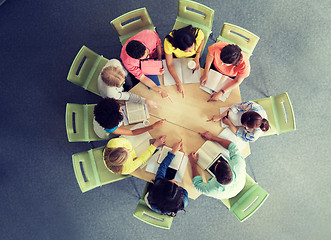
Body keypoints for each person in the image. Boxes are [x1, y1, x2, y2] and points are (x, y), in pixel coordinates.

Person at [189, 131, 246, 200]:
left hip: (231, 191)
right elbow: (232, 146)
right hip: (238, 185)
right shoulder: (238, 164)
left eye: (217, 163)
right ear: (230, 168)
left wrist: (193, 164)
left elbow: (197, 183)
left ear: (215, 178)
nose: (218, 161)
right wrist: (212, 137)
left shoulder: (212, 190)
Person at [120, 30, 171, 101]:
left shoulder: (150, 35)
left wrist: (159, 61)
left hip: (155, 54)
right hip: (142, 66)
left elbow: (158, 44)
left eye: (147, 54)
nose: (148, 57)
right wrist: (160, 90)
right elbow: (142, 78)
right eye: (145, 58)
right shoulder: (128, 62)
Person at [145, 139, 188, 216]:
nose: (173, 179)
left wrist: (173, 151)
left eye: (171, 181)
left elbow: (162, 167)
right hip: (160, 208)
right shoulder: (184, 201)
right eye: (175, 183)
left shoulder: (157, 186)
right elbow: (185, 191)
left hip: (152, 204)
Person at [93, 97, 164, 139]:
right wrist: (152, 127)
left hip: (99, 121)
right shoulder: (111, 129)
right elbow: (132, 132)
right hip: (101, 132)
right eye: (119, 110)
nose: (121, 110)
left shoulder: (102, 109)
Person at [164, 25, 205, 97]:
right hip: (177, 58)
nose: (192, 50)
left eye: (192, 47)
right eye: (187, 51)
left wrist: (197, 55)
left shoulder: (197, 33)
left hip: (194, 57)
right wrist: (178, 83)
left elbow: (202, 40)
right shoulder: (169, 43)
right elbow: (169, 64)